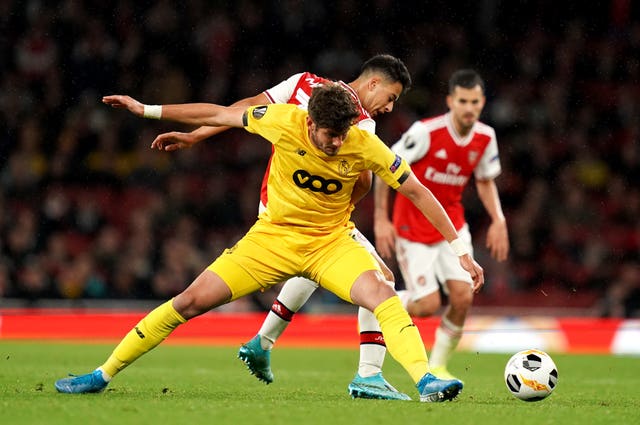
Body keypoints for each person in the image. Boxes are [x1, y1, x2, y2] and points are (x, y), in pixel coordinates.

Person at [55, 84, 484, 403]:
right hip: (270, 241)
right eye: (329, 135)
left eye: (343, 135)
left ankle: (425, 380)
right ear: (310, 122)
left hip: (330, 244)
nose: (337, 144)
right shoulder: (281, 120)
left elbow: (418, 192)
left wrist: (460, 250)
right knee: (188, 302)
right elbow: (220, 113)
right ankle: (102, 374)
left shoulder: (364, 143)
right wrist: (146, 109)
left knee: (383, 296)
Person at [152, 55, 415, 400]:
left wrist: (196, 136)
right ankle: (368, 374)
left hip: (273, 200)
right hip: (308, 212)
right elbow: (363, 181)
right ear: (373, 84)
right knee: (380, 279)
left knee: (310, 263)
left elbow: (244, 109)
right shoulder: (359, 125)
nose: (390, 107)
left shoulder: (303, 82)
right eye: (392, 97)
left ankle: (263, 342)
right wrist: (345, 210)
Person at [374, 69, 509, 381]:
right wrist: (381, 219)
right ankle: (381, 299)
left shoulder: (485, 137)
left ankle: (437, 366)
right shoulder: (425, 132)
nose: (468, 108)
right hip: (412, 228)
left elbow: (485, 181)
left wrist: (498, 219)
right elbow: (385, 166)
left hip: (452, 226)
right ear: (450, 101)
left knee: (463, 297)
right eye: (462, 101)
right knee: (426, 306)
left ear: (482, 102)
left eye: (474, 102)